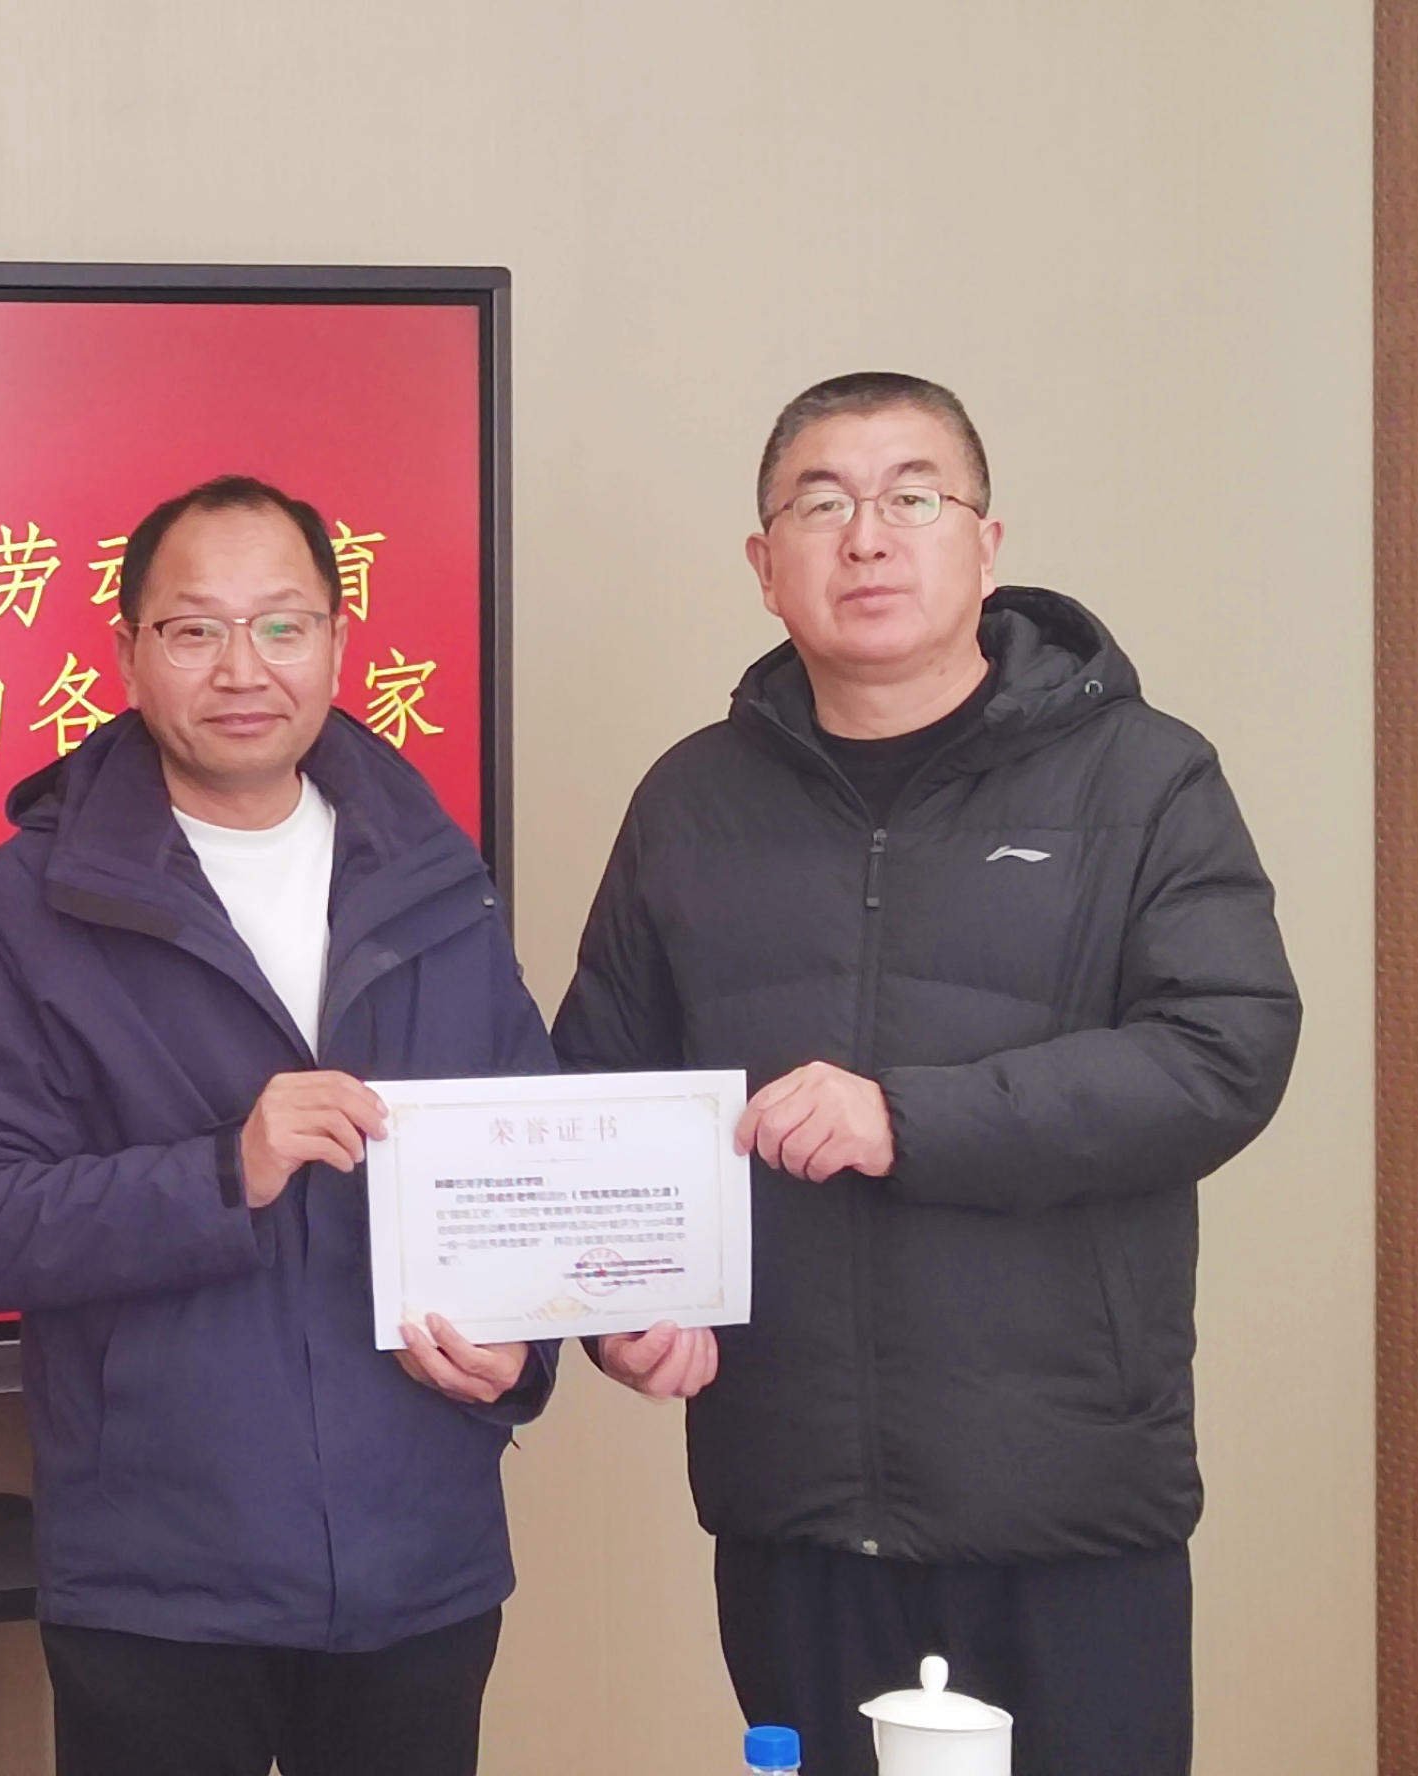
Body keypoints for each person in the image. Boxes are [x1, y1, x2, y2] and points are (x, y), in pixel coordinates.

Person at [556, 374, 1301, 1776]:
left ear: (987, 543)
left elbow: (1226, 1048)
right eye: (821, 505)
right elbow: (597, 1090)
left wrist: (907, 1119)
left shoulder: (1143, 779)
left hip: (1067, 1501)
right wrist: (623, 1306)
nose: (868, 537)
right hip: (793, 1504)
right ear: (764, 564)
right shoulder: (690, 802)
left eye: (913, 497)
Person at [0, 475, 557, 1776]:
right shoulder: (27, 903)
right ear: (130, 651)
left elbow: (526, 1160)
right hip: (161, 1581)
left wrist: (522, 1353)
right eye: (196, 629)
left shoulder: (436, 878)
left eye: (283, 626)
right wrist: (224, 1171)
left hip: (420, 1562)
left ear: (338, 643)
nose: (243, 669)